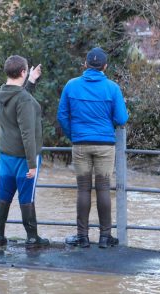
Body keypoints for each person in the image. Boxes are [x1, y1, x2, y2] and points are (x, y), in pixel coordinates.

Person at [57, 47, 129, 248]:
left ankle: (82, 237)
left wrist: (75, 135)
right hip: (105, 145)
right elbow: (121, 119)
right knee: (103, 188)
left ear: (85, 65)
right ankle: (105, 237)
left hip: (80, 144)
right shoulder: (112, 88)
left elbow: (62, 116)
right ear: (105, 66)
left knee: (83, 189)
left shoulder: (71, 86)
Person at [0, 55, 49, 248]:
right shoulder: (23, 99)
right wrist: (32, 163)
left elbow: (19, 101)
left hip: (6, 154)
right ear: (22, 72)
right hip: (24, 157)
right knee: (26, 197)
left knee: (4, 194)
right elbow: (28, 133)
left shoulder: (1, 92)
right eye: (27, 72)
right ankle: (32, 239)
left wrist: (31, 81)